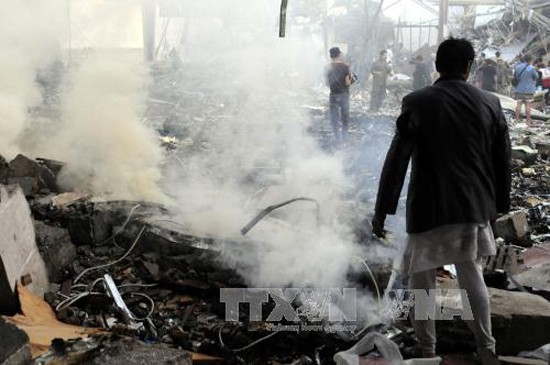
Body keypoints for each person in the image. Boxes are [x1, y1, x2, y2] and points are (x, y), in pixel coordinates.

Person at [371, 37, 511, 364]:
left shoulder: (417, 101)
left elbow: (397, 161)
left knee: (422, 281)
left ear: (436, 65)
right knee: (470, 275)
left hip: (428, 207)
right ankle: (487, 349)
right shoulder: (490, 103)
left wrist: (382, 211)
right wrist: (498, 208)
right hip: (472, 205)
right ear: (469, 67)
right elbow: (502, 159)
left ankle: (426, 350)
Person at [326, 47, 355, 145]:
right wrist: (352, 78)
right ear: (339, 54)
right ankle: (344, 139)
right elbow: (347, 83)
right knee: (344, 117)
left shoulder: (327, 67)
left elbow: (327, 83)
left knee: (334, 117)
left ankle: (337, 139)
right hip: (343, 95)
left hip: (333, 94)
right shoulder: (345, 67)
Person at [513, 55, 539, 126]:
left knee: (519, 103)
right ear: (530, 60)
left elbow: (515, 76)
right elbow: (536, 77)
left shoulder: (518, 67)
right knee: (528, 104)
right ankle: (528, 121)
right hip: (528, 89)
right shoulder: (531, 68)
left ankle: (516, 119)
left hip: (519, 89)